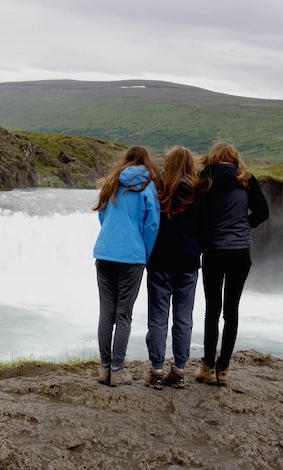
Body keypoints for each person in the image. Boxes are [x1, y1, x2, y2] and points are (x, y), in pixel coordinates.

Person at [195, 142, 269, 386]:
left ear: (213, 158)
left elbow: (197, 213)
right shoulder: (246, 179)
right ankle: (223, 368)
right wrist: (244, 224)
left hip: (214, 251)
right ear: (234, 158)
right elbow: (263, 212)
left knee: (212, 310)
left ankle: (207, 365)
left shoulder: (204, 180)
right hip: (239, 252)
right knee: (231, 310)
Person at [93, 145, 161, 387]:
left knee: (106, 313)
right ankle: (117, 370)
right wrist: (145, 253)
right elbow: (152, 225)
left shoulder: (111, 183)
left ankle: (103, 369)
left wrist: (111, 238)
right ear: (146, 162)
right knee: (123, 315)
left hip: (105, 252)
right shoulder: (147, 186)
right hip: (132, 256)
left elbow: (102, 216)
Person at [145, 146, 208, 390]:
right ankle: (180, 369)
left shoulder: (159, 189)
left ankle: (157, 370)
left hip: (160, 261)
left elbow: (150, 223)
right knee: (184, 317)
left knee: (158, 317)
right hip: (189, 262)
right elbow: (205, 228)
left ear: (168, 163)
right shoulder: (198, 191)